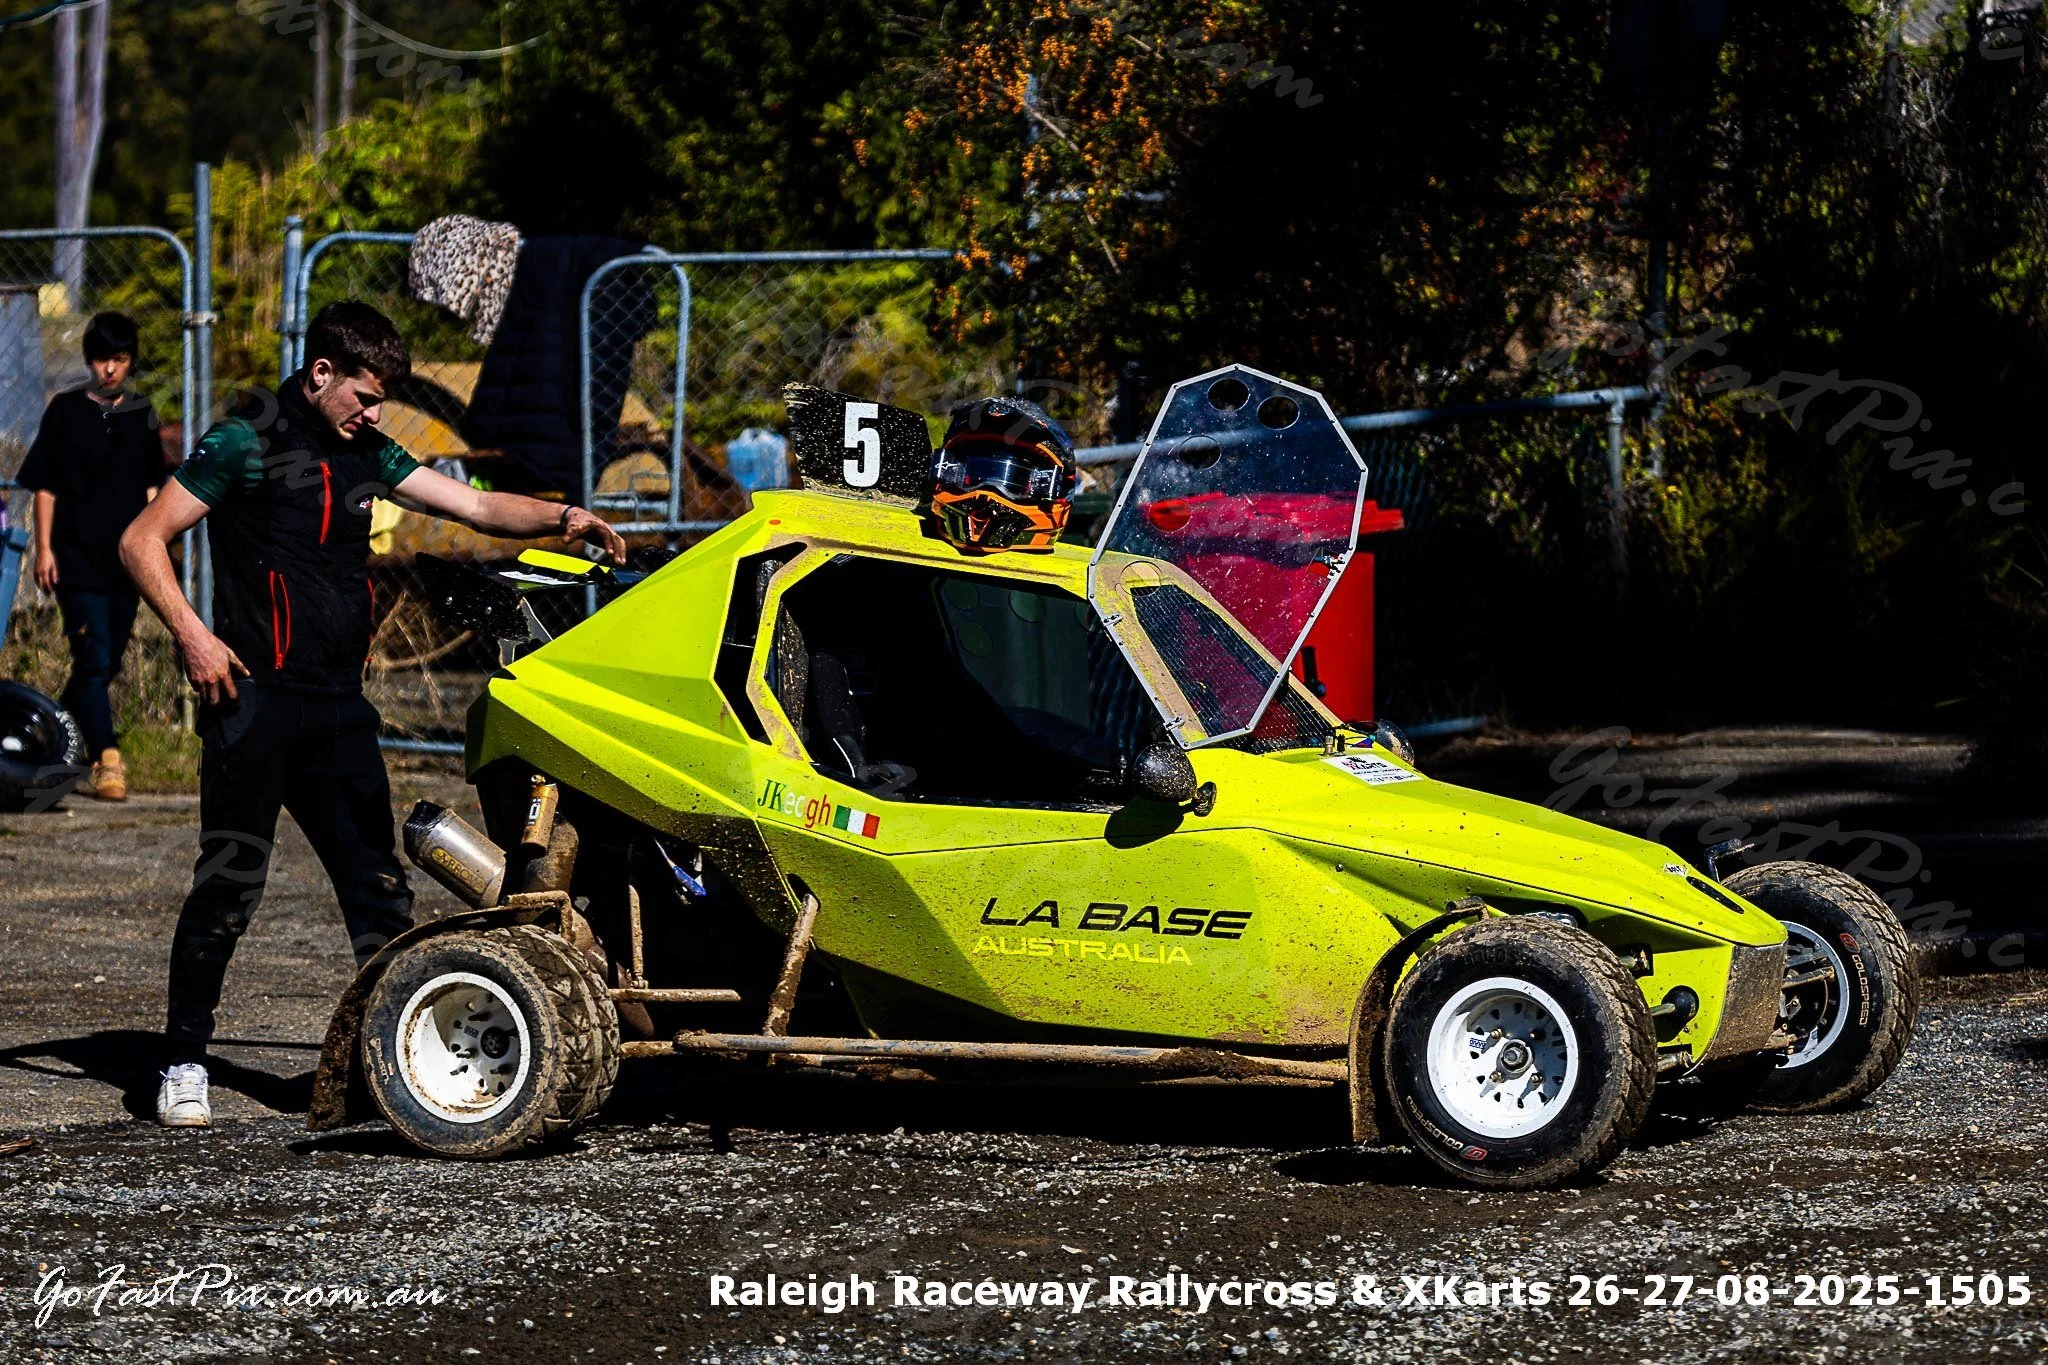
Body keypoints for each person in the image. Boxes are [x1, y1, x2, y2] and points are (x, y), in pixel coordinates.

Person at [119, 301, 626, 1128]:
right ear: (321, 372)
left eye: (384, 398)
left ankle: (392, 1060)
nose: (375, 413)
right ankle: (182, 1060)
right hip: (254, 702)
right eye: (364, 395)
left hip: (338, 710)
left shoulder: (368, 450)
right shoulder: (248, 437)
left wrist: (565, 517)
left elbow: (473, 507)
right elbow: (142, 539)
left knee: (379, 893)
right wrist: (193, 635)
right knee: (230, 885)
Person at [15, 312, 166, 801]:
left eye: (119, 359)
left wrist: (153, 552)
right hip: (75, 559)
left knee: (102, 664)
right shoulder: (65, 411)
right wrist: (44, 549)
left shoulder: (142, 413)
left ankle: (45, 737)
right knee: (94, 660)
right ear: (89, 360)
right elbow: (45, 487)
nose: (110, 369)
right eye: (102, 359)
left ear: (130, 361)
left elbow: (152, 490)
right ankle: (108, 758)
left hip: (126, 562)